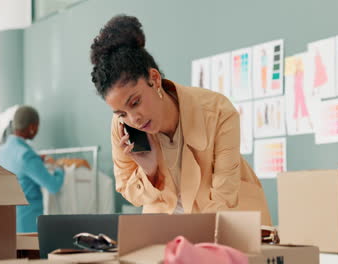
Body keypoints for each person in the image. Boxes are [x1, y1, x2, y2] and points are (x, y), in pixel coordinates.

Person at [90, 15, 271, 226]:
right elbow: (130, 192)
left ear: (154, 79)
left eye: (135, 102)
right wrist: (150, 172)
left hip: (228, 220)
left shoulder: (217, 110)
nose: (133, 119)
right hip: (167, 227)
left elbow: (224, 196)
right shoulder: (123, 129)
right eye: (121, 113)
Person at [0, 106, 65, 232]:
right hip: (27, 222)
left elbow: (18, 168)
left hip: (7, 220)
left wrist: (36, 159)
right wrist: (59, 168)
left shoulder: (2, 151)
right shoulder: (26, 155)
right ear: (32, 127)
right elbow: (53, 186)